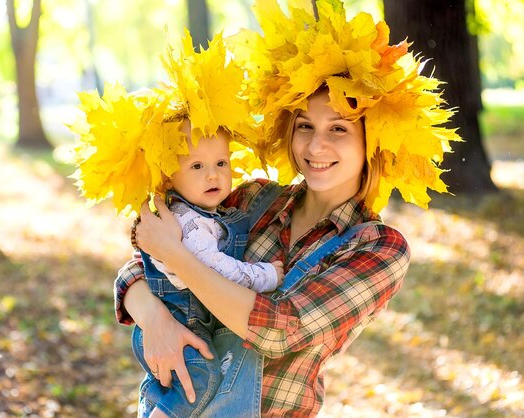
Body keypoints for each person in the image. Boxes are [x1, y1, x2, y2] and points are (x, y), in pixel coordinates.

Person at [115, 0, 461, 416]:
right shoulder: (252, 200)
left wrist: (176, 256)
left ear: (374, 140)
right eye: (305, 127)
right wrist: (155, 322)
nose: (316, 147)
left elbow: (279, 329)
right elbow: (140, 265)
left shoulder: (378, 249)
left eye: (338, 129)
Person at [70, 30, 285, 417]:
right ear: (169, 177)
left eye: (221, 164)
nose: (213, 176)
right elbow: (209, 268)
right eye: (197, 167)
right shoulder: (188, 223)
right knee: (195, 380)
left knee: (183, 381)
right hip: (178, 319)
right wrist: (265, 276)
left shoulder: (204, 212)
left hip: (173, 320)